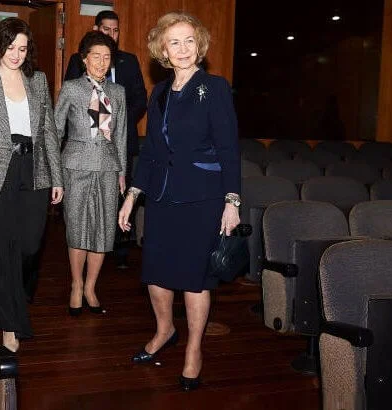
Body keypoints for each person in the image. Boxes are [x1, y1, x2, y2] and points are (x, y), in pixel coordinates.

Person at [118, 12, 241, 391]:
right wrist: (132, 196)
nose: (183, 48)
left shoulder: (215, 87)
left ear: (199, 46)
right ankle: (165, 329)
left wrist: (232, 201)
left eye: (190, 40)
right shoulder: (158, 93)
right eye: (175, 42)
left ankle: (193, 350)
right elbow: (152, 150)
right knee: (155, 274)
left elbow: (228, 147)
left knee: (194, 279)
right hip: (162, 196)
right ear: (163, 51)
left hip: (203, 197)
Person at [0, 18, 62, 356]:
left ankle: (14, 299)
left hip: (33, 169)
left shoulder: (38, 80)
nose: (16, 54)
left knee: (30, 244)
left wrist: (56, 178)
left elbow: (48, 133)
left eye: (22, 49)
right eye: (10, 47)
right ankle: (8, 324)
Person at [65, 10, 147, 269]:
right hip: (84, 149)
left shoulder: (129, 61)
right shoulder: (78, 60)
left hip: (118, 145)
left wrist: (113, 120)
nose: (111, 34)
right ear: (96, 29)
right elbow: (70, 104)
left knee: (117, 203)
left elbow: (139, 100)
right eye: (106, 29)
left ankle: (120, 252)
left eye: (116, 30)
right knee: (82, 214)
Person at [54, 31, 127, 316]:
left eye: (106, 57)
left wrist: (122, 172)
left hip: (108, 167)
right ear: (84, 59)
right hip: (75, 165)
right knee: (77, 227)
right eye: (95, 56)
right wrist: (54, 175)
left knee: (104, 230)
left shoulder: (118, 92)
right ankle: (76, 284)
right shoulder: (71, 88)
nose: (101, 62)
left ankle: (91, 287)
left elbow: (120, 136)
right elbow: (56, 131)